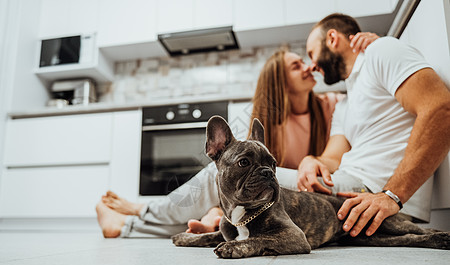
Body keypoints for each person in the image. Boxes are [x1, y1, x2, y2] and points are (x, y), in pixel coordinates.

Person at [96, 33, 378, 238]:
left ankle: (138, 215)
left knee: (212, 176)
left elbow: (362, 86)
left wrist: (370, 48)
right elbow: (243, 181)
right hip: (270, 200)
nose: (308, 67)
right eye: (296, 65)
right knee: (225, 180)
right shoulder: (266, 121)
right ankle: (213, 220)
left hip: (307, 193)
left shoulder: (333, 104)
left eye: (306, 62)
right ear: (278, 80)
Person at [296, 13, 450, 238]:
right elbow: (333, 159)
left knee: (238, 184)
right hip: (347, 184)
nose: (312, 65)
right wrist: (312, 161)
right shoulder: (344, 104)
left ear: (332, 38)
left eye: (311, 53)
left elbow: (440, 109)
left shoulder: (380, 51)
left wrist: (391, 196)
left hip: (369, 190)